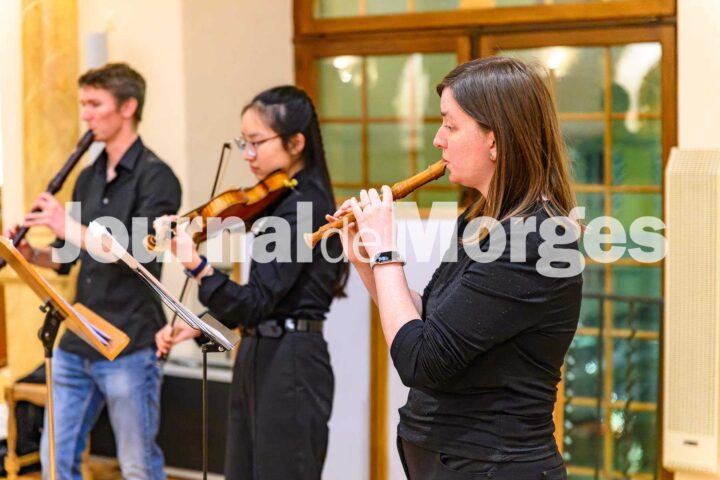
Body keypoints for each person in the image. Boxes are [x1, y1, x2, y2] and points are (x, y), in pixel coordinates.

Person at [331, 57, 583, 479]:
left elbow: (419, 359)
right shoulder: (480, 222)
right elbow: (426, 320)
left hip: (495, 467)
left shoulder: (537, 240)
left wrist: (386, 252)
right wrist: (366, 259)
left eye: (450, 125)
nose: (438, 140)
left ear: (494, 141)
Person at [155, 85, 347, 480]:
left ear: (296, 143)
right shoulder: (281, 201)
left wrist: (198, 267)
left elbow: (258, 301)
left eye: (256, 142)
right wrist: (202, 326)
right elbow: (267, 299)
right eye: (244, 143)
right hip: (259, 354)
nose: (247, 155)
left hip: (292, 363)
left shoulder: (306, 206)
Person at [7, 62, 182, 480]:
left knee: (138, 466)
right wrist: (31, 253)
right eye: (83, 103)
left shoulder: (157, 178)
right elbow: (69, 255)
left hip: (130, 341)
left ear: (127, 107)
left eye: (94, 104)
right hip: (78, 337)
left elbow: (138, 253)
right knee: (55, 461)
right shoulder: (88, 177)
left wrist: (67, 226)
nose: (85, 114)